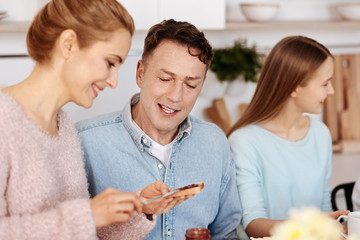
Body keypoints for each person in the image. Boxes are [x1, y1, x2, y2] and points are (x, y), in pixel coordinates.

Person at [0, 1, 188, 239]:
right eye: (110, 63)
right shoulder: (4, 122)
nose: (114, 82)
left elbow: (79, 231)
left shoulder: (63, 128)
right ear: (68, 45)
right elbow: (78, 220)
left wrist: (137, 208)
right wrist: (88, 214)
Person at [76, 19, 242, 239]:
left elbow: (226, 233)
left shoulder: (215, 142)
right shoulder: (84, 142)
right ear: (140, 74)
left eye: (191, 85)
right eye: (165, 79)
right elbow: (70, 230)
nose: (175, 96)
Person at [227, 35, 349, 238]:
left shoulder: (320, 134)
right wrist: (309, 227)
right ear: (294, 87)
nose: (332, 91)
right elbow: (253, 224)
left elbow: (324, 207)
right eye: (325, 83)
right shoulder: (243, 142)